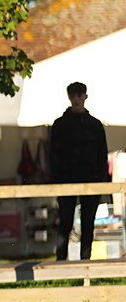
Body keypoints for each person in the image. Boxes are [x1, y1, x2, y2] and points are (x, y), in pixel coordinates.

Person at [49, 81, 109, 260]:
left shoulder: (95, 125)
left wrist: (100, 180)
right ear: (69, 97)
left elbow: (102, 154)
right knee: (65, 222)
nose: (76, 99)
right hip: (66, 179)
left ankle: (85, 262)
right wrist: (57, 178)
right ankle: (61, 261)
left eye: (79, 95)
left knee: (88, 224)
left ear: (85, 97)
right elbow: (53, 154)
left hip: (91, 179)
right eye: (73, 95)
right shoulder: (60, 125)